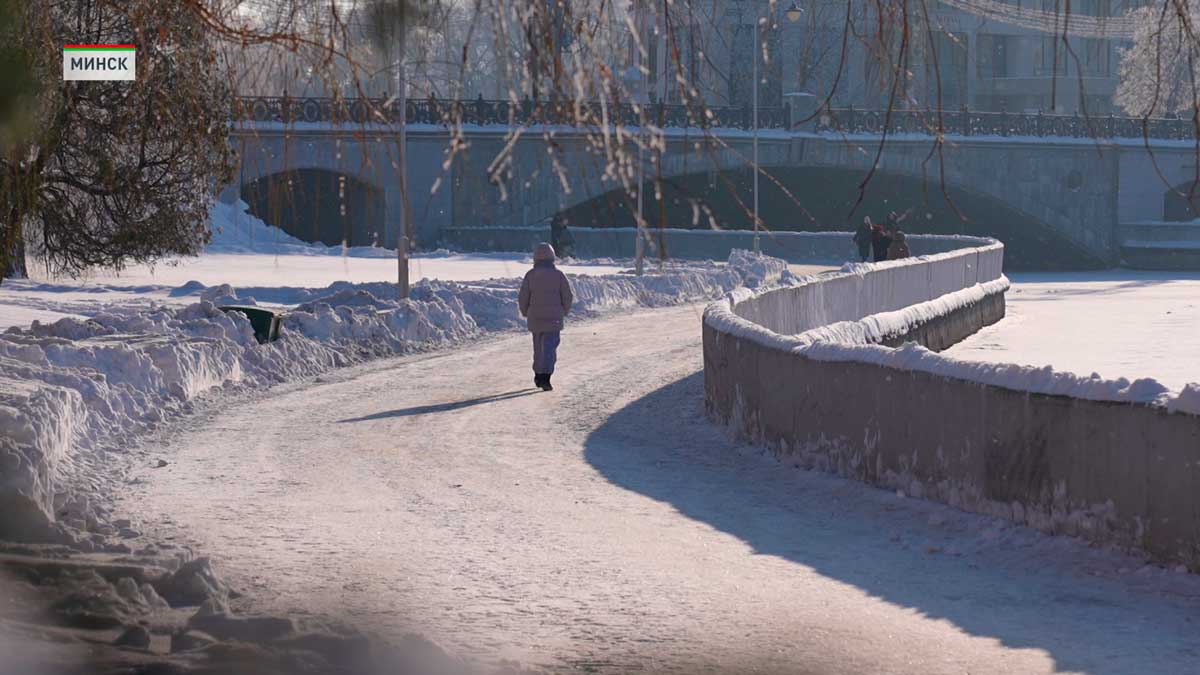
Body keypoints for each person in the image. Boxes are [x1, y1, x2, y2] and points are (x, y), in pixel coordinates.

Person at [519, 242, 574, 391]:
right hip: (554, 319)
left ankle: (538, 374)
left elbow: (523, 296)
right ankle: (546, 377)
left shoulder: (531, 275)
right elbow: (567, 296)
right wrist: (564, 311)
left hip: (535, 318)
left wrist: (525, 311)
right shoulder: (559, 275)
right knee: (550, 349)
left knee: (538, 348)